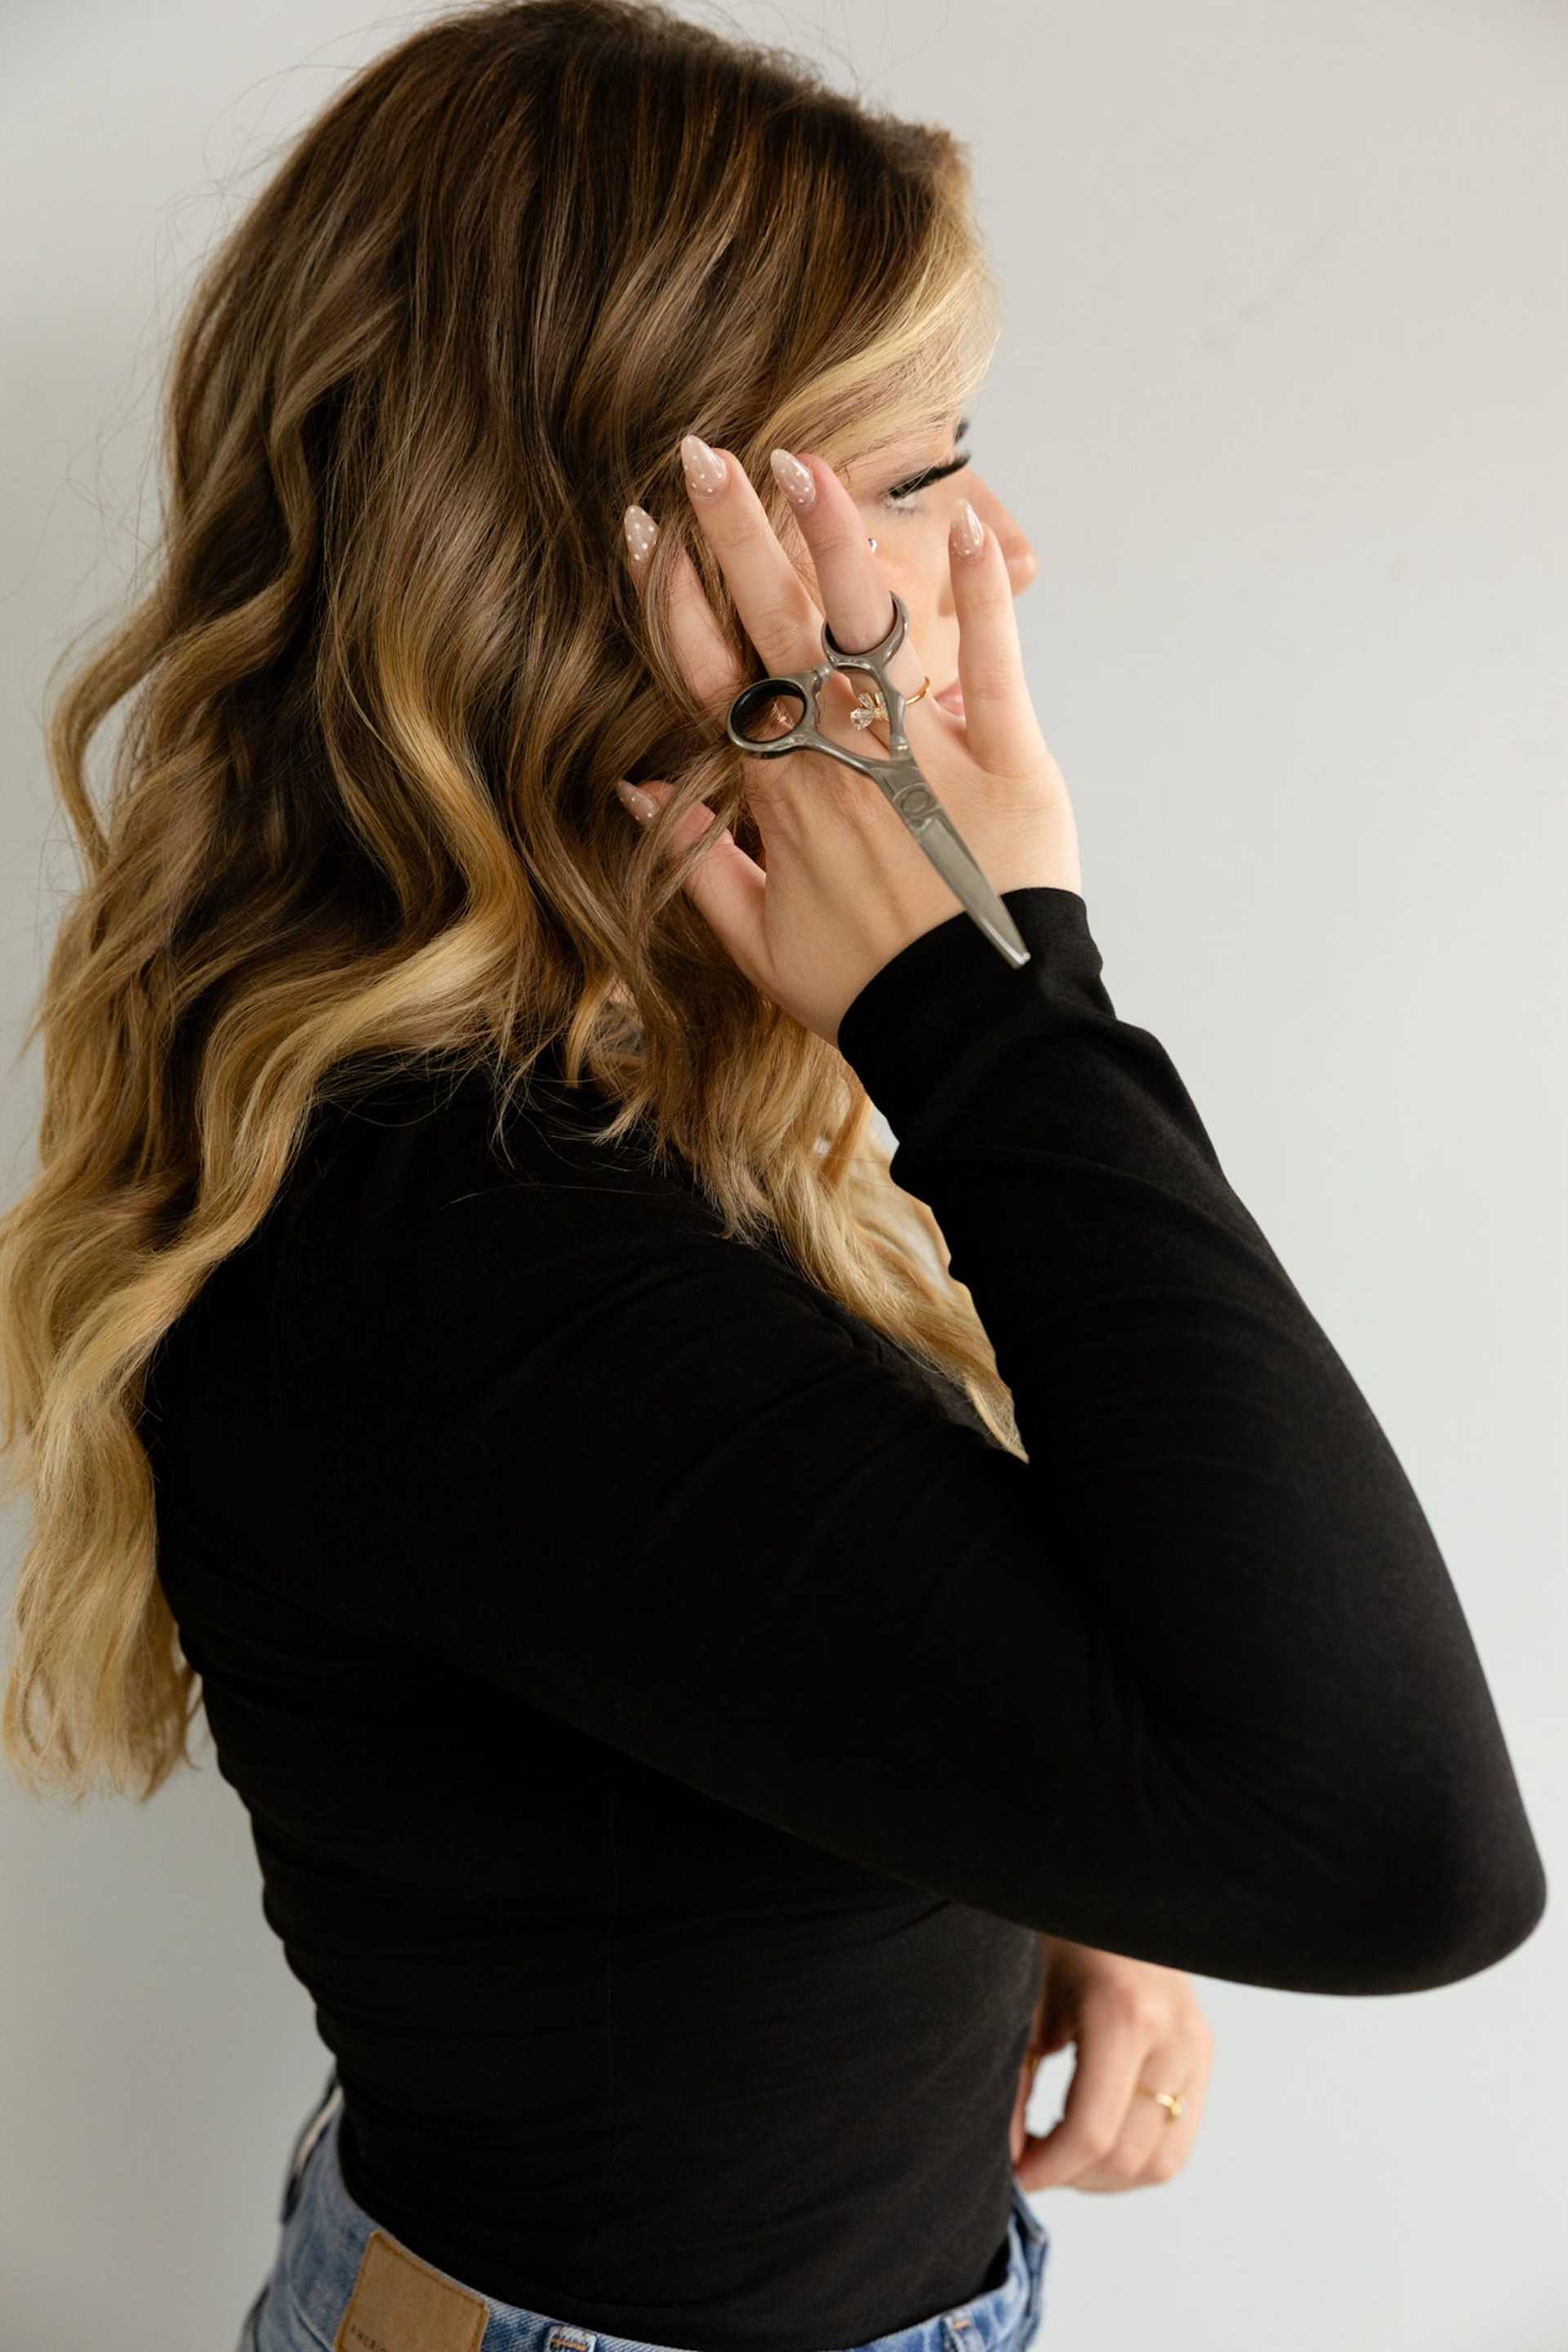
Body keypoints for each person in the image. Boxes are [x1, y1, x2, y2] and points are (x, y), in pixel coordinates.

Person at [0, 6, 1545, 2351]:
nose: (1001, 545)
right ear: (624, 563)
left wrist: (1052, 1859)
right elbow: (1403, 1847)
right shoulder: (470, 1254)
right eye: (925, 468)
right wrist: (997, 986)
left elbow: (777, 1624)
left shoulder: (590, 1091)